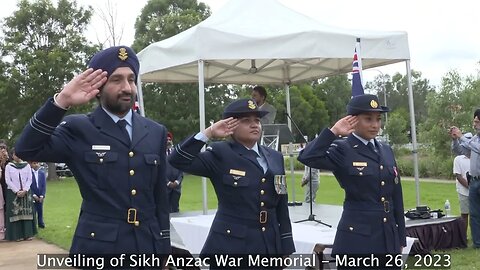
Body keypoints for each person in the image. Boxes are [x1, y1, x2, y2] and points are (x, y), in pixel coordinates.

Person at [15, 46, 171, 255]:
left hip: (147, 245)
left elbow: (160, 196)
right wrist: (61, 101)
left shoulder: (155, 131)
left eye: (131, 79)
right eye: (117, 80)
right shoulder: (78, 128)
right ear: (99, 86)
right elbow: (26, 149)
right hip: (100, 248)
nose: (127, 87)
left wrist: (164, 246)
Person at [169, 98, 295, 256]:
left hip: (268, 243)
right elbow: (176, 160)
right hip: (232, 245)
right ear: (230, 126)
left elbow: (281, 203)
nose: (254, 124)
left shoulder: (275, 157)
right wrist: (208, 133)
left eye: (257, 120)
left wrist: (286, 246)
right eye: (246, 120)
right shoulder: (221, 153)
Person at [298, 94, 406, 263]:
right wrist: (333, 132)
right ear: (353, 121)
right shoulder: (342, 148)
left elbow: (396, 194)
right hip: (358, 238)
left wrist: (400, 236)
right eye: (368, 119)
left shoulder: (385, 149)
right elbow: (307, 157)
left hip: (387, 236)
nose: (375, 125)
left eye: (378, 119)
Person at [450, 108, 480, 248]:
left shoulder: (475, 142)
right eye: (474, 121)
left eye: (477, 122)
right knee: (474, 214)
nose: (474, 125)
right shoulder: (474, 139)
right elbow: (460, 151)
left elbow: (477, 148)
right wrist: (455, 139)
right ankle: (477, 243)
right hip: (474, 181)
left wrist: (461, 136)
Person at [4, 150, 36, 241]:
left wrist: (25, 190)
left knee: (26, 212)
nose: (17, 156)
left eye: (19, 154)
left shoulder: (27, 166)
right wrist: (16, 191)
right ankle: (17, 235)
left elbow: (30, 179)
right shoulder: (9, 166)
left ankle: (28, 234)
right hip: (13, 193)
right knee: (15, 213)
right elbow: (8, 180)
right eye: (15, 154)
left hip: (26, 193)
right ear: (12, 156)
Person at [452, 145, 470, 233]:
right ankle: (463, 236)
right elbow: (458, 176)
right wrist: (471, 187)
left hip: (477, 190)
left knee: (476, 215)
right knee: (464, 214)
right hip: (464, 191)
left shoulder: (477, 157)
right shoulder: (458, 159)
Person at [165, 132, 183, 213]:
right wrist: (168, 183)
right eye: (166, 140)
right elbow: (159, 170)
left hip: (176, 187)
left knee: (175, 209)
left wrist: (177, 181)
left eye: (170, 139)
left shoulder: (176, 153)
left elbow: (181, 169)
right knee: (165, 210)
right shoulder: (160, 154)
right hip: (165, 187)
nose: (168, 141)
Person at [30, 161, 47, 228]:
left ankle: (41, 223)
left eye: (37, 163)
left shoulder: (42, 173)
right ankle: (33, 224)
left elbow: (44, 185)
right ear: (31, 164)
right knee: (34, 210)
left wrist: (42, 195)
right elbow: (29, 185)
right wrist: (33, 195)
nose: (36, 165)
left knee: (40, 209)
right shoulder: (29, 173)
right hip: (33, 194)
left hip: (40, 195)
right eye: (34, 163)